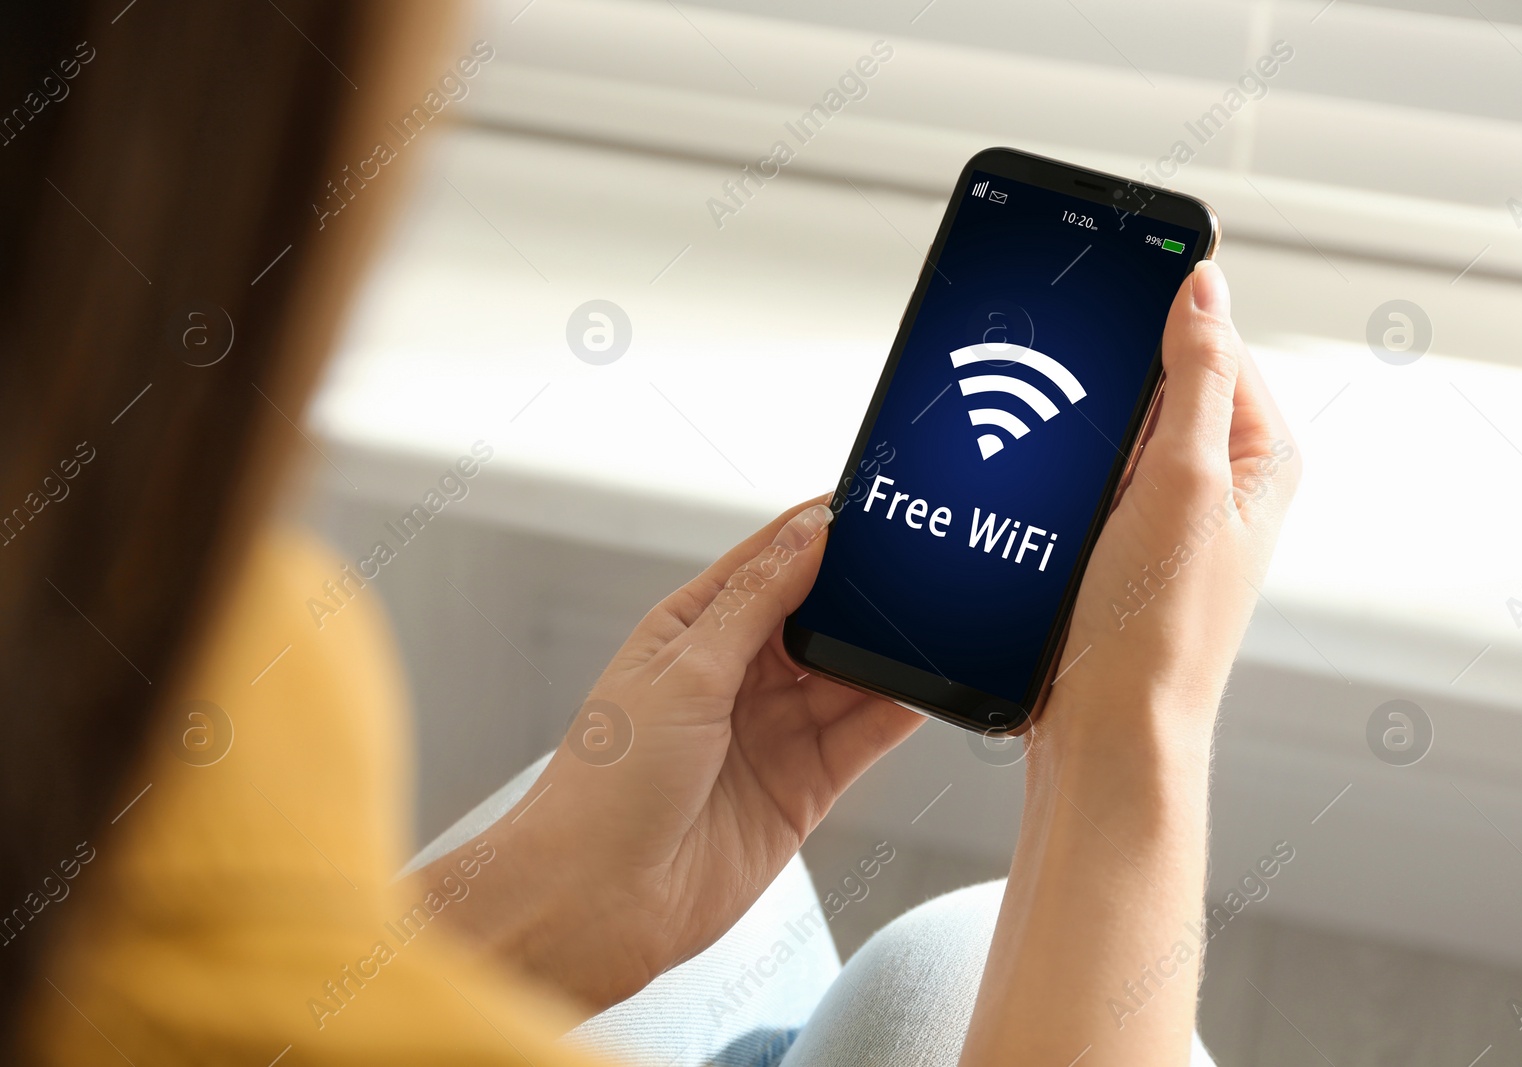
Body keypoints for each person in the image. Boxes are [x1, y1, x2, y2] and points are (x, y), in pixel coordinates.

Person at [0, 2, 1298, 1064]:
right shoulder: (184, 664)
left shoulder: (158, 685)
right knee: (957, 960)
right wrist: (1132, 747)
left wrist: (543, 905)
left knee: (891, 946)